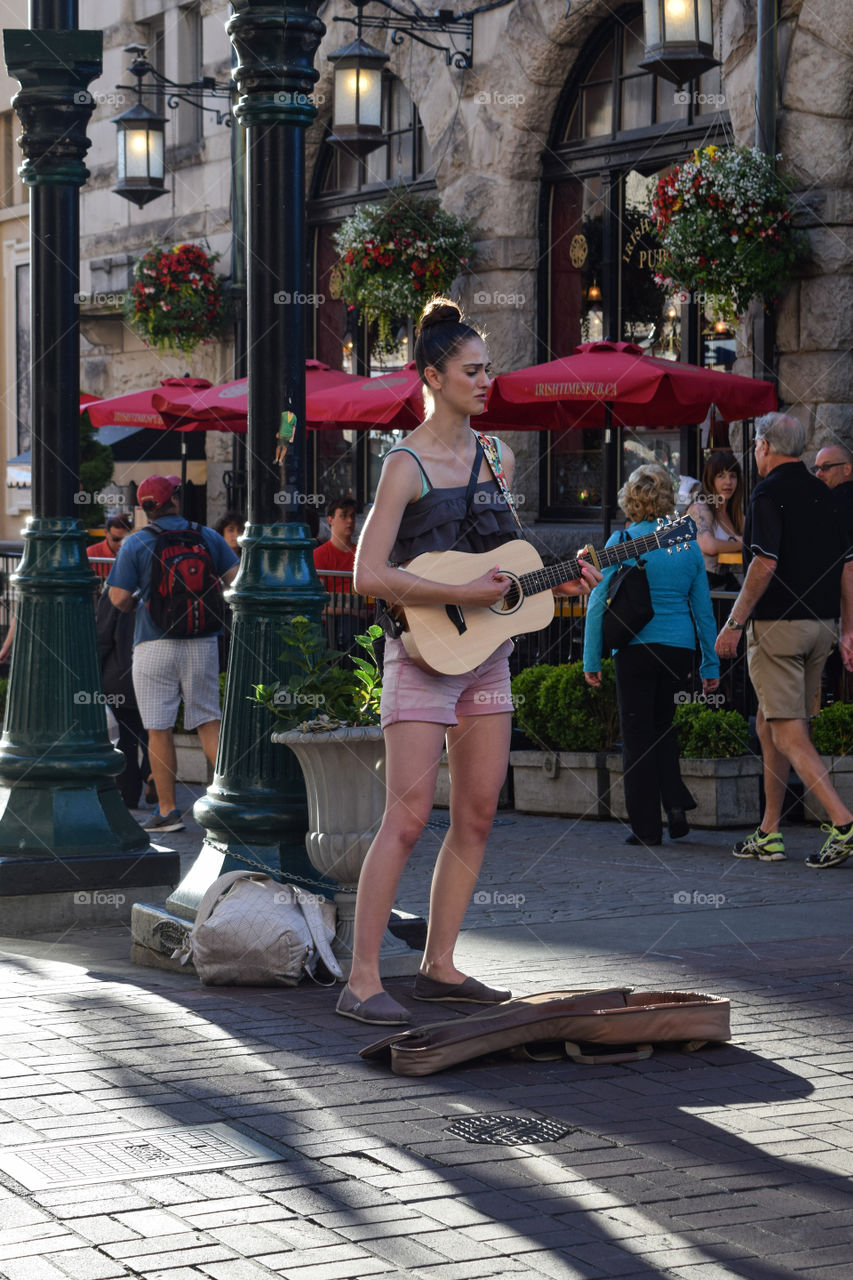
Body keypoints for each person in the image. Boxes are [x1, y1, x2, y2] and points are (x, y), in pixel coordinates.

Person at [337, 297, 601, 1027]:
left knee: (479, 813)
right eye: (472, 370)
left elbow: (502, 564)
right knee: (408, 816)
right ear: (432, 375)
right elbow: (366, 574)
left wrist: (563, 575)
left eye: (489, 370)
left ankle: (440, 966)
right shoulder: (404, 463)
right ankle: (361, 980)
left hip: (486, 657)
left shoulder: (496, 457)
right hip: (420, 657)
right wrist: (454, 589)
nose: (486, 381)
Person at [715, 413, 853, 868]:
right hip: (822, 626)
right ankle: (770, 830)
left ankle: (844, 823)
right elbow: (848, 567)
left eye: (755, 445)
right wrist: (847, 629)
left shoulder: (767, 492)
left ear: (766, 447)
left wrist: (733, 623)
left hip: (779, 626)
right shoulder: (825, 492)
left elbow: (764, 563)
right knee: (769, 721)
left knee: (788, 731)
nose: (754, 452)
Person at [584, 464, 720, 847]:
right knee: (663, 730)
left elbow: (597, 602)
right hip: (679, 650)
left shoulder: (622, 540)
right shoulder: (687, 544)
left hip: (635, 649)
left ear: (631, 499)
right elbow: (704, 611)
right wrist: (711, 664)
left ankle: (646, 829)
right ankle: (675, 807)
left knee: (637, 737)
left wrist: (591, 659)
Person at [107, 475, 239, 834]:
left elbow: (118, 598)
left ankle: (167, 811)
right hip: (201, 639)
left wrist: (144, 599)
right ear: (175, 500)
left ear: (146, 508)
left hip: (152, 644)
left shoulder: (136, 543)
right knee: (208, 720)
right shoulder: (206, 535)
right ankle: (235, 798)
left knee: (158, 728)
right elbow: (236, 578)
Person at [95, 586, 150, 810]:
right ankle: (152, 775)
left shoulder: (116, 591)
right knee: (155, 734)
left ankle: (128, 795)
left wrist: (92, 677)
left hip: (120, 679)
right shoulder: (160, 586)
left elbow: (103, 638)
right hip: (155, 674)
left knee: (125, 740)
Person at [687, 450, 745, 591]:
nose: (728, 482)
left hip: (725, 587)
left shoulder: (735, 514)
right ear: (710, 479)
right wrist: (742, 543)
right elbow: (709, 546)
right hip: (702, 592)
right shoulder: (700, 507)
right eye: (721, 476)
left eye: (733, 476)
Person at [313, 496, 357, 593]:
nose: (350, 520)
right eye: (343, 516)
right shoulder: (318, 555)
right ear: (330, 520)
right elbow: (320, 600)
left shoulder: (363, 555)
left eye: (352, 516)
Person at [87, 515, 133, 580]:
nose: (121, 544)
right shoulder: (91, 553)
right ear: (106, 532)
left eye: (125, 540)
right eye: (116, 539)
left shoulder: (134, 553)